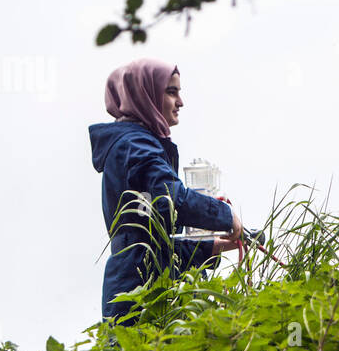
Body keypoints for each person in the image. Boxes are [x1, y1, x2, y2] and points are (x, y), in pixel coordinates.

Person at [88, 58, 242, 323]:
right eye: (171, 92)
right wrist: (226, 216)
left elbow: (158, 246)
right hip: (139, 298)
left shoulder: (136, 144)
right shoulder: (135, 146)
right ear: (144, 95)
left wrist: (213, 247)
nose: (180, 102)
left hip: (139, 286)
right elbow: (173, 200)